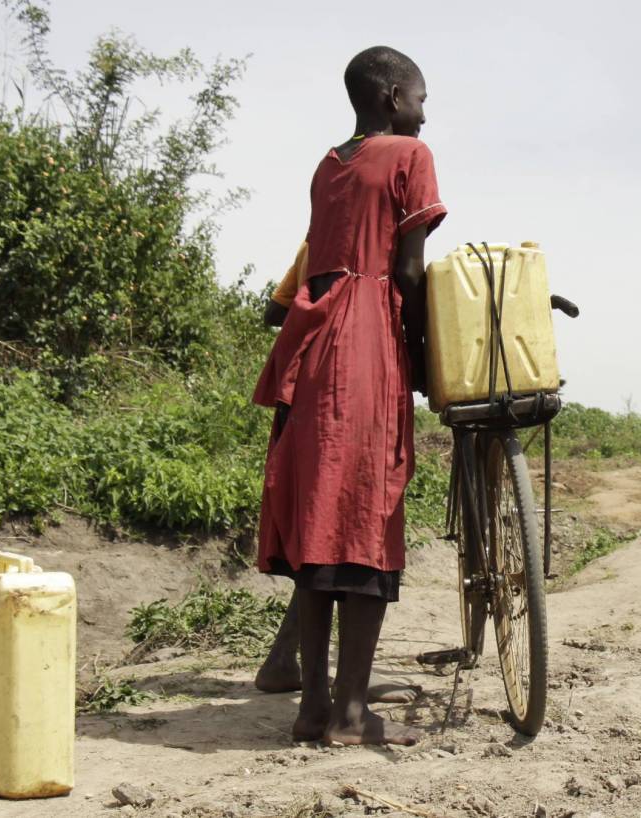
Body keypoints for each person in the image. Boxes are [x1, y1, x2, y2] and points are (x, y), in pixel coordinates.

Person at [252, 45, 445, 746]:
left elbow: (319, 258)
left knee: (318, 519)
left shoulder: (327, 164)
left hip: (310, 341)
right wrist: (424, 360)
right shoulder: (408, 156)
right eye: (421, 98)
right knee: (366, 513)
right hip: (366, 339)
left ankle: (311, 709)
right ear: (392, 95)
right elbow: (411, 271)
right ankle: (353, 717)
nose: (426, 113)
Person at [253, 241, 421, 707]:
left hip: (300, 387)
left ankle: (288, 662)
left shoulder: (315, 246)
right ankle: (344, 693)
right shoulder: (385, 253)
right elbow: (409, 292)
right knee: (353, 532)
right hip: (344, 391)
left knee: (322, 533)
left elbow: (274, 311)